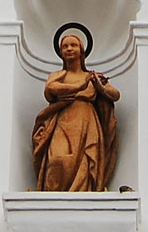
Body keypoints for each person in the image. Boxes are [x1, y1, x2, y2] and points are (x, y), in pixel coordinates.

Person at [32, 27, 120, 192]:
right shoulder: (58, 75)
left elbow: (115, 95)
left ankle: (83, 191)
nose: (69, 49)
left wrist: (100, 88)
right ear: (60, 52)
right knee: (57, 159)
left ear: (82, 51)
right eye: (65, 46)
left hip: (86, 122)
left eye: (73, 45)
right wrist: (79, 86)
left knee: (86, 161)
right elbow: (51, 89)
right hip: (62, 121)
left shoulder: (93, 76)